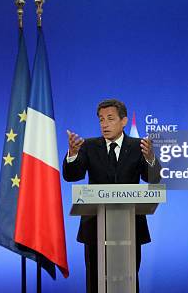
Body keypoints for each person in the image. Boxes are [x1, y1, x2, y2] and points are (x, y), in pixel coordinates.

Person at [63, 99, 161, 293]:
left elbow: (154, 178)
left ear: (124, 121)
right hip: (95, 227)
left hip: (130, 227)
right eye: (101, 120)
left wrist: (150, 159)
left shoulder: (139, 146)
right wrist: (72, 154)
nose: (104, 124)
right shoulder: (88, 146)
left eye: (110, 119)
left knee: (129, 279)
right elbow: (72, 175)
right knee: (95, 281)